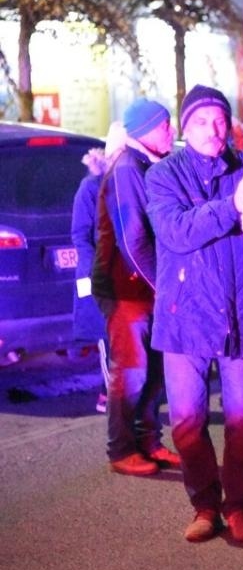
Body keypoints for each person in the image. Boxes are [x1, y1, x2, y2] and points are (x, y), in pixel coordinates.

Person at [145, 84, 243, 544]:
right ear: (183, 127)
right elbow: (175, 231)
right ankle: (204, 504)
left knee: (242, 422)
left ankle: (238, 505)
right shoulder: (163, 176)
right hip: (184, 316)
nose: (212, 130)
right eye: (201, 122)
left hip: (239, 313)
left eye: (219, 120)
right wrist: (232, 208)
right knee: (187, 423)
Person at [92, 99, 180, 476]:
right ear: (145, 129)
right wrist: (162, 285)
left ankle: (148, 440)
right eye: (165, 126)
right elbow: (133, 241)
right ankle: (122, 449)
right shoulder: (128, 167)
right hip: (126, 288)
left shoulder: (145, 163)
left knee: (154, 368)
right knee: (132, 369)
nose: (171, 132)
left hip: (144, 287)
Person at [71, 123, 126, 412]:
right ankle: (111, 394)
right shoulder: (91, 188)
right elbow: (80, 234)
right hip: (102, 276)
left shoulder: (131, 182)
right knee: (108, 336)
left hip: (128, 276)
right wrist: (98, 271)